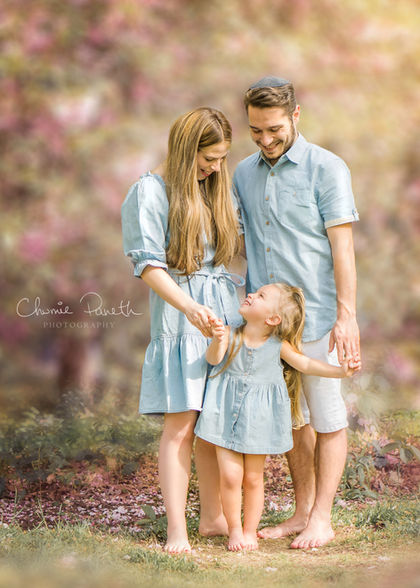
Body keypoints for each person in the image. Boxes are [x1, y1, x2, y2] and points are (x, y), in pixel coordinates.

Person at [233, 76, 361, 549]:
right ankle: (302, 511)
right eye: (256, 131)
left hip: (319, 316)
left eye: (274, 130)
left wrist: (346, 317)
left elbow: (342, 250)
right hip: (269, 324)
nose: (265, 141)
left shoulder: (327, 169)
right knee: (294, 421)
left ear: (296, 116)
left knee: (326, 417)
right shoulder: (243, 173)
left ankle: (323, 519)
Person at [121, 107, 243, 554]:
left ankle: (213, 518)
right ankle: (178, 530)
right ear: (185, 149)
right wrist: (190, 307)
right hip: (181, 315)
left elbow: (236, 249)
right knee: (182, 424)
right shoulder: (148, 192)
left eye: (220, 159)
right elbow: (149, 266)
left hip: (223, 314)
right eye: (207, 159)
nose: (213, 168)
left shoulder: (214, 189)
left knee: (215, 424)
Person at [194, 283, 360, 552]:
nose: (250, 294)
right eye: (254, 293)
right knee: (230, 475)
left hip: (257, 421)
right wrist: (217, 340)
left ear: (272, 319)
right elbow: (213, 360)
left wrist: (341, 372)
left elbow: (306, 364)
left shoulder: (277, 346)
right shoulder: (228, 333)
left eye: (260, 296)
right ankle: (235, 530)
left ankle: (249, 531)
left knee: (253, 478)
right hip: (223, 415)